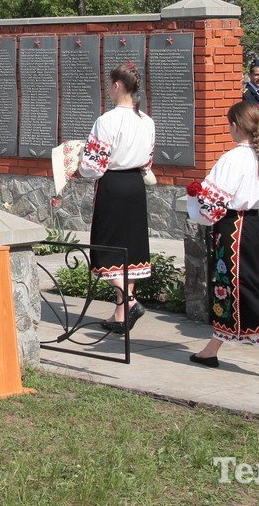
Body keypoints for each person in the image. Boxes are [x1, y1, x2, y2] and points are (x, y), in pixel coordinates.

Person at [188, 101, 259, 380]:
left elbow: (212, 205)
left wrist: (195, 203)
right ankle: (211, 350)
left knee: (244, 287)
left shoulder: (232, 158)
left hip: (231, 227)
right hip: (249, 226)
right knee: (230, 288)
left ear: (235, 126)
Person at [76, 62, 156, 332]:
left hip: (113, 184)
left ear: (118, 86)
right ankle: (121, 314)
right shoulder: (147, 121)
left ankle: (130, 302)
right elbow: (148, 160)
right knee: (129, 250)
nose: (109, 90)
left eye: (110, 86)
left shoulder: (107, 120)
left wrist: (78, 164)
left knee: (106, 248)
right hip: (135, 185)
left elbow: (94, 164)